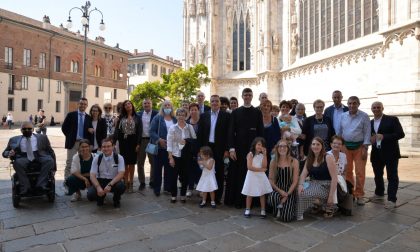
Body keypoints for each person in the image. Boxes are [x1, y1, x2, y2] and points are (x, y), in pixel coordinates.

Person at [226, 88, 264, 208]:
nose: (247, 97)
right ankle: (237, 201)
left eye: (249, 95)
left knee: (252, 174)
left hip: (253, 149)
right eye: (245, 95)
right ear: (242, 97)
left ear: (252, 97)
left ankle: (252, 202)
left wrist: (260, 149)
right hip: (238, 148)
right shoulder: (236, 112)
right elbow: (231, 131)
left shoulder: (257, 112)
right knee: (238, 175)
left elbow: (260, 131)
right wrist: (231, 149)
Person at [2, 122, 55, 194]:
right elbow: (4, 153)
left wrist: (54, 168)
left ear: (33, 129)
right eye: (24, 129)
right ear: (21, 130)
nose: (27, 130)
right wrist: (9, 153)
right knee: (17, 163)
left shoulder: (42, 137)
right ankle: (25, 187)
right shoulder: (13, 139)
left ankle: (41, 184)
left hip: (39, 155)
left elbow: (50, 151)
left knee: (49, 160)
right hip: (23, 156)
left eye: (29, 129)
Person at [370, 101, 405, 209]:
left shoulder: (392, 119)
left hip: (391, 153)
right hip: (376, 153)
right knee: (377, 175)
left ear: (382, 108)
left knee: (392, 176)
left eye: (378, 107)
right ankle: (379, 194)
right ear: (372, 109)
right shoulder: (370, 122)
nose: (376, 109)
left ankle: (391, 199)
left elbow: (400, 134)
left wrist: (384, 136)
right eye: (374, 107)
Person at [337, 96, 371, 205]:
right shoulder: (343, 116)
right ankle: (350, 193)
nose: (352, 105)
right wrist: (339, 146)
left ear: (358, 104)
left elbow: (367, 132)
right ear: (347, 104)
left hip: (359, 147)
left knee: (360, 172)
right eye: (350, 103)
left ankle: (359, 194)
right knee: (347, 171)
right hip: (345, 147)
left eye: (354, 103)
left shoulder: (364, 116)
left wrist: (365, 148)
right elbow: (339, 131)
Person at [198, 95, 230, 204]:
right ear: (210, 103)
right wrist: (201, 150)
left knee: (219, 172)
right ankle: (206, 197)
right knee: (207, 172)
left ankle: (217, 198)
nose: (215, 103)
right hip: (207, 148)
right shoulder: (204, 116)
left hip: (220, 148)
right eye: (212, 101)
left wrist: (227, 149)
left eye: (217, 101)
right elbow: (200, 134)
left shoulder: (226, 116)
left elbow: (228, 135)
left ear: (220, 103)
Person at [297, 137, 338, 220]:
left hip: (326, 185)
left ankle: (327, 204)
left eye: (318, 144)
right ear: (311, 146)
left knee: (305, 193)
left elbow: (334, 178)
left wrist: (331, 196)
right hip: (314, 183)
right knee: (297, 189)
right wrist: (300, 185)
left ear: (322, 146)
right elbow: (303, 175)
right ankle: (318, 204)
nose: (315, 146)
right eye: (313, 144)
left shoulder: (328, 157)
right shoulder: (309, 158)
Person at [167, 108, 197, 203]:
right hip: (175, 155)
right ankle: (173, 195)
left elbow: (195, 140)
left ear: (186, 116)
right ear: (176, 116)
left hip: (186, 156)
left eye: (183, 115)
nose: (181, 116)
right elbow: (169, 143)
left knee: (185, 177)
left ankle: (183, 195)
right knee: (173, 176)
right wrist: (170, 157)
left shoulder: (189, 127)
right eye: (179, 114)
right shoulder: (172, 128)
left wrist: (187, 141)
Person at [113, 100, 142, 193]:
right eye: (125, 104)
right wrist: (114, 141)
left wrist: (138, 144)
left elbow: (139, 132)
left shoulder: (137, 117)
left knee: (132, 163)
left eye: (129, 104)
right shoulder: (120, 117)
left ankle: (131, 183)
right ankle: (125, 182)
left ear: (132, 105)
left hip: (133, 142)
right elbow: (117, 131)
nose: (128, 105)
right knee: (124, 163)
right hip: (123, 142)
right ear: (124, 107)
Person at [88, 137, 125, 208]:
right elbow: (92, 175)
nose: (106, 149)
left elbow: (121, 174)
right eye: (104, 147)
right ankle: (101, 197)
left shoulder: (119, 158)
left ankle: (116, 199)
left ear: (113, 146)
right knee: (90, 195)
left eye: (108, 146)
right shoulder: (97, 158)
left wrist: (110, 185)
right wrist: (98, 187)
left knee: (120, 186)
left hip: (113, 181)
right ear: (101, 148)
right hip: (101, 181)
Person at [150, 100, 177, 196]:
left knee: (169, 169)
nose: (167, 107)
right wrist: (159, 140)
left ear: (171, 107)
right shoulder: (158, 118)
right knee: (157, 169)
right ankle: (157, 189)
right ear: (162, 107)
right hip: (159, 148)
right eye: (165, 105)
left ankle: (167, 188)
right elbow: (151, 131)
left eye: (169, 105)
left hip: (171, 149)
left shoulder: (174, 119)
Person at [62, 98, 93, 181]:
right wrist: (69, 137)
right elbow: (64, 128)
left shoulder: (88, 118)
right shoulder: (71, 115)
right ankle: (67, 182)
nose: (83, 105)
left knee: (82, 163)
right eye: (81, 103)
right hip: (73, 142)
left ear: (86, 106)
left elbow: (90, 130)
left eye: (84, 104)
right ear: (78, 104)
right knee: (69, 163)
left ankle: (79, 181)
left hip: (83, 144)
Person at [268, 139, 299, 222]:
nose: (282, 148)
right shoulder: (273, 162)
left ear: (288, 148)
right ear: (277, 148)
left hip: (290, 190)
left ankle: (286, 207)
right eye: (280, 146)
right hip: (277, 189)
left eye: (284, 146)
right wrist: (280, 191)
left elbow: (295, 181)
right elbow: (271, 180)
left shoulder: (294, 161)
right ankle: (278, 207)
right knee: (272, 198)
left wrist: (287, 194)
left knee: (286, 218)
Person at [241, 137, 273, 218]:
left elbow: (265, 166)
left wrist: (265, 155)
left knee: (262, 193)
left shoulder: (262, 155)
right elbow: (249, 167)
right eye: (258, 144)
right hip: (251, 176)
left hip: (260, 176)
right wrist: (261, 170)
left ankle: (263, 210)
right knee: (249, 193)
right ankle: (247, 209)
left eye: (262, 145)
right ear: (255, 144)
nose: (260, 147)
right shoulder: (250, 154)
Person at [327, 135, 353, 215]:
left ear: (342, 146)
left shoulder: (343, 156)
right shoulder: (327, 155)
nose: (336, 145)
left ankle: (342, 205)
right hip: (329, 178)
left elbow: (344, 171)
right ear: (331, 144)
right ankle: (331, 206)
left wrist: (343, 181)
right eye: (334, 143)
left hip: (340, 179)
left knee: (349, 185)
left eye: (339, 144)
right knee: (336, 183)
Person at [136, 98, 158, 190]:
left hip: (152, 141)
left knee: (153, 162)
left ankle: (152, 181)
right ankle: (142, 182)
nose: (146, 105)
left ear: (151, 104)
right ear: (143, 105)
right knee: (140, 162)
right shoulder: (138, 114)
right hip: (141, 141)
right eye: (145, 103)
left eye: (148, 103)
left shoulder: (156, 114)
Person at [186, 103, 201, 196]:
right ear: (189, 111)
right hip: (189, 150)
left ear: (198, 111)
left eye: (195, 109)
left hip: (200, 149)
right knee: (190, 169)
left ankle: (200, 188)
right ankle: (190, 188)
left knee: (200, 169)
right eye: (192, 110)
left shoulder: (202, 121)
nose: (193, 111)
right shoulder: (186, 122)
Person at [260, 99, 281, 165]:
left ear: (270, 108)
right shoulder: (257, 118)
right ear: (261, 107)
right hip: (259, 148)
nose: (266, 107)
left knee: (271, 168)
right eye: (264, 105)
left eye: (268, 106)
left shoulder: (274, 120)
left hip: (272, 149)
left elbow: (278, 135)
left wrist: (275, 147)